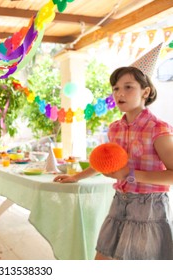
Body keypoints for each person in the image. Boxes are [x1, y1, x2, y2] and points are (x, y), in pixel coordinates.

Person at [53, 66, 173, 260]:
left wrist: (130, 174)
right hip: (119, 202)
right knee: (103, 258)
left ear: (146, 91)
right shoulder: (115, 128)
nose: (120, 93)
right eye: (116, 88)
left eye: (128, 87)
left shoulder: (158, 129)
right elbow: (106, 162)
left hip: (149, 207)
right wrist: (76, 177)